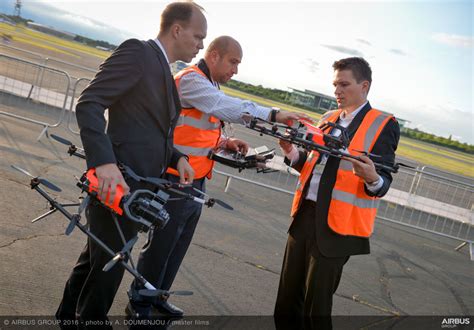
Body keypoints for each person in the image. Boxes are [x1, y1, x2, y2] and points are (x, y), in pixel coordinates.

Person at [129, 35, 310, 317]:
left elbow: (198, 126)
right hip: (174, 178)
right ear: (213, 56)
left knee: (177, 246)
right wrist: (275, 114)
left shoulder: (208, 83)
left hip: (196, 180)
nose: (235, 70)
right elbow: (226, 107)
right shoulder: (191, 80)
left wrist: (224, 141)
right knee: (161, 246)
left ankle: (158, 297)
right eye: (233, 62)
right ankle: (139, 304)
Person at [55, 2, 207, 326]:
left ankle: (67, 315)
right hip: (119, 182)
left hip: (137, 189)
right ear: (177, 30)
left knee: (97, 257)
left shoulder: (163, 69)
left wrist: (177, 157)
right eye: (198, 37)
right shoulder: (137, 53)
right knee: (111, 262)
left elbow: (150, 131)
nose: (201, 45)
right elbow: (90, 103)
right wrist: (104, 163)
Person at [274, 57, 400, 325]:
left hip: (338, 227)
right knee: (285, 304)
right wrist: (290, 151)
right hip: (304, 217)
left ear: (364, 86)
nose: (337, 91)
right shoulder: (328, 118)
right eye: (335, 85)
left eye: (344, 84)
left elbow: (383, 182)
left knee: (315, 310)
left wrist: (372, 177)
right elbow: (311, 167)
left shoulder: (383, 124)